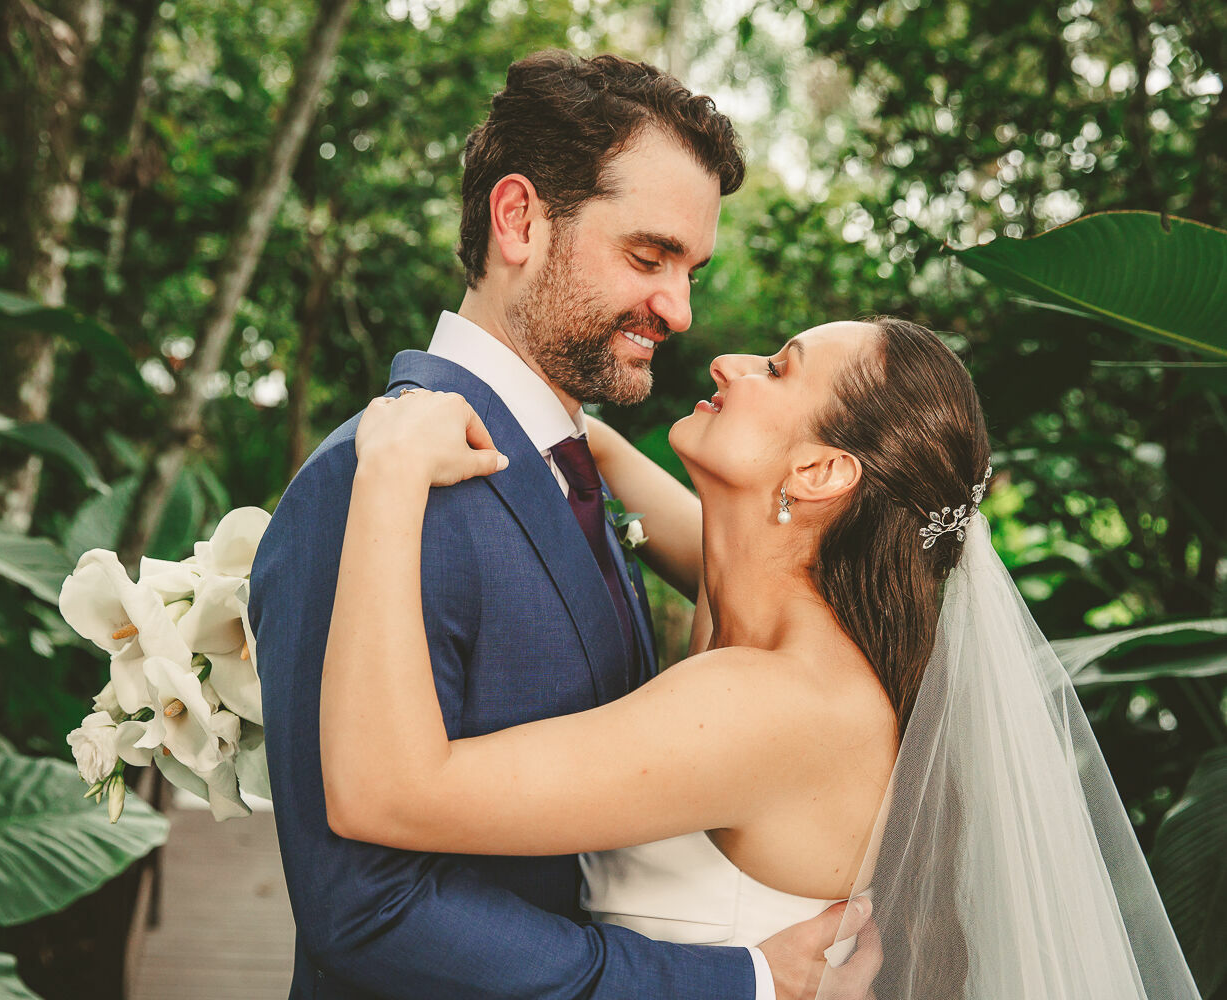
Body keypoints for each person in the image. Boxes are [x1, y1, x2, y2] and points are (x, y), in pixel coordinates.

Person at [320, 316, 1202, 999]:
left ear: (820, 475)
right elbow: (607, 461)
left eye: (777, 368)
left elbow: (386, 793)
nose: (729, 363)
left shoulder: (778, 703)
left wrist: (389, 473)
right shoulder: (760, 600)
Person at [247, 50, 874, 999]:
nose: (681, 308)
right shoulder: (375, 482)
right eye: (648, 255)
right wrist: (739, 984)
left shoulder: (572, 469)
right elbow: (365, 911)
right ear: (519, 221)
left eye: (690, 267)